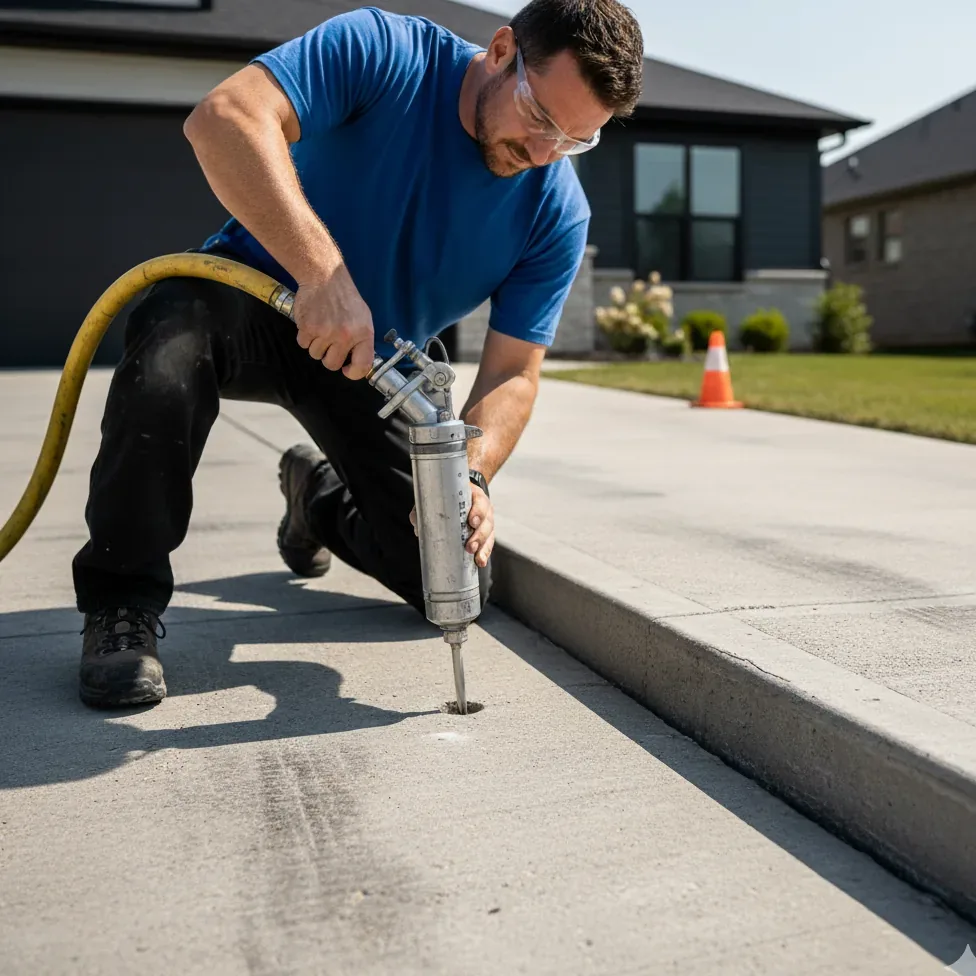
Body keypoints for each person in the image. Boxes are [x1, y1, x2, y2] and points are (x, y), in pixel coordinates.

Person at [72, 0, 644, 708]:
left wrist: (468, 476)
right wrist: (323, 275)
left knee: (446, 579)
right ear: (501, 51)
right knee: (170, 339)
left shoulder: (555, 209)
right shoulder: (385, 51)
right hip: (251, 296)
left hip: (374, 360)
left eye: (574, 140)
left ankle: (314, 495)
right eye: (540, 118)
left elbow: (512, 374)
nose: (543, 153)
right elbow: (224, 119)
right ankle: (120, 605)